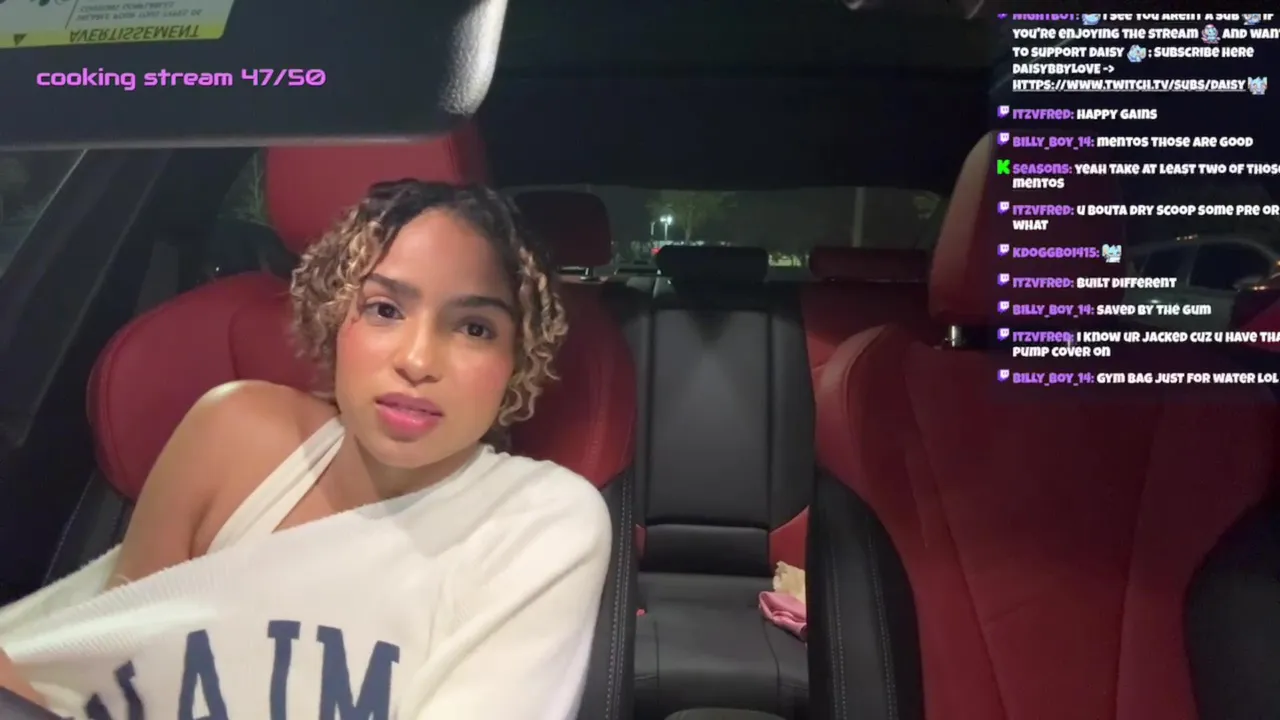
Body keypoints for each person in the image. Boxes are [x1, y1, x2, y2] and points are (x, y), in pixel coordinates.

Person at [0, 180, 613, 719]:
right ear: (334, 320)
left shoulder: (540, 520)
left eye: (474, 328)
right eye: (384, 309)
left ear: (517, 360)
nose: (418, 360)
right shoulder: (234, 430)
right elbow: (105, 662)